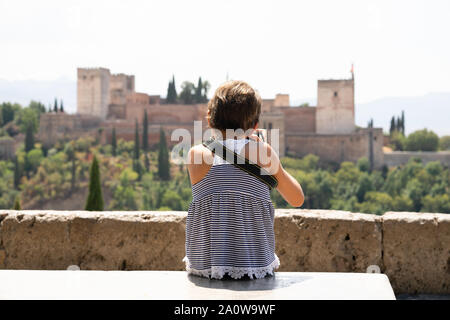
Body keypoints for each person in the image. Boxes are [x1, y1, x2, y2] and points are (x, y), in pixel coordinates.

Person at [183, 80, 304, 280]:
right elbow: (297, 198)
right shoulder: (262, 153)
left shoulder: (195, 154)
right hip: (253, 266)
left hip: (205, 268)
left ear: (209, 119)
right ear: (255, 125)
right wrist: (266, 152)